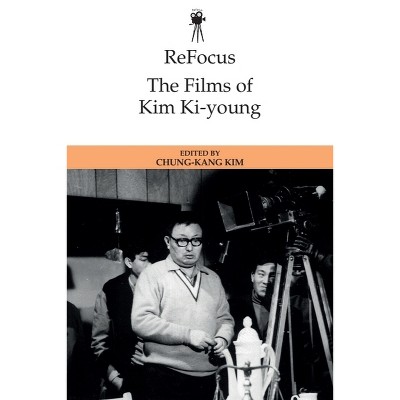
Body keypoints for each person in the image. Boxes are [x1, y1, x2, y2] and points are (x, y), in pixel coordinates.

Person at [131, 212, 234, 400]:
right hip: (164, 377)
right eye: (182, 241)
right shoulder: (152, 275)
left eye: (196, 240)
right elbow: (141, 321)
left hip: (208, 377)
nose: (189, 248)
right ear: (167, 241)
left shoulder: (213, 278)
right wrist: (188, 335)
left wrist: (222, 338)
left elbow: (225, 319)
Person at [91, 241, 151, 399]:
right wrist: (115, 379)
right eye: (144, 259)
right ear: (129, 262)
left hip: (157, 379)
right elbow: (98, 344)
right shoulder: (110, 290)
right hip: (122, 379)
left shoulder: (164, 289)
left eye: (153, 260)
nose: (151, 265)